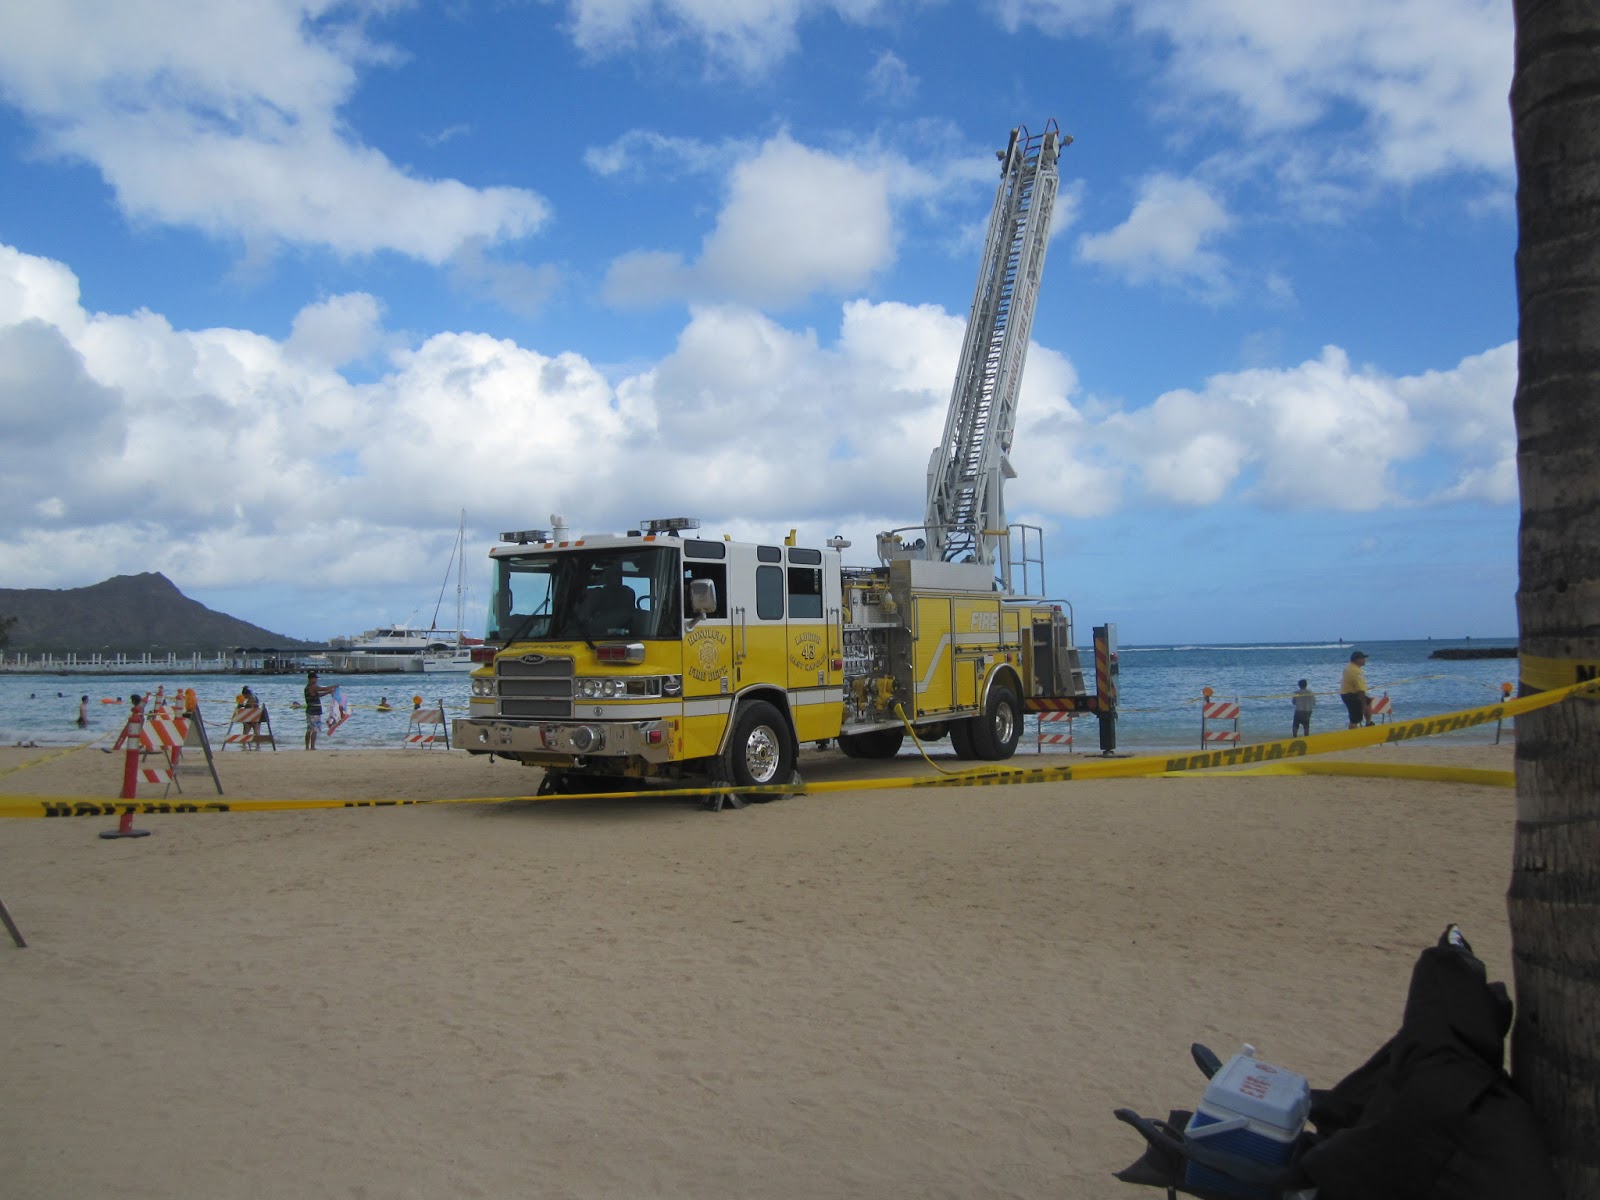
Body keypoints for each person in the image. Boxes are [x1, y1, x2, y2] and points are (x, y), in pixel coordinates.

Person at [1339, 650, 1373, 729]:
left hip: (1346, 694)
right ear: (1357, 659)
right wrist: (1364, 705)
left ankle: (1368, 722)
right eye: (1362, 658)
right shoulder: (1356, 671)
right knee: (1355, 719)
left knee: (1369, 701)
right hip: (1351, 695)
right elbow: (1360, 690)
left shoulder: (1349, 666)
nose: (1364, 660)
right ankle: (1352, 734)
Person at [303, 671, 337, 749]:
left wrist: (328, 692)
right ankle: (312, 746)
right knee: (314, 730)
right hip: (314, 712)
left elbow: (318, 695)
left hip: (310, 711)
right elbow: (323, 689)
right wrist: (333, 686)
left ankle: (307, 746)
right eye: (315, 678)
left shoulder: (307, 688)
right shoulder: (313, 687)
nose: (316, 680)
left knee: (309, 729)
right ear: (311, 679)